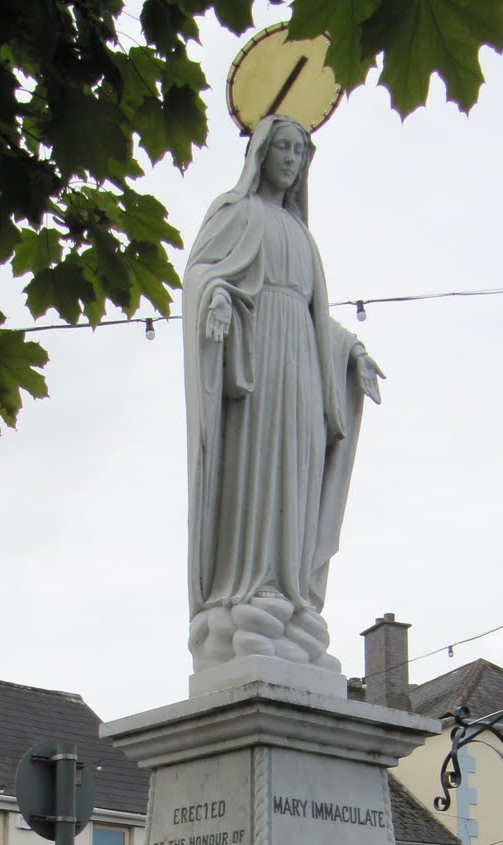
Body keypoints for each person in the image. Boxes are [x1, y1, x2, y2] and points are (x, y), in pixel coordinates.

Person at [183, 114, 383, 675]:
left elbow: (317, 318)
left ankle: (290, 591)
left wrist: (351, 352)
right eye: (283, 148)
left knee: (296, 474)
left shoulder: (302, 236)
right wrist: (216, 296)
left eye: (300, 150)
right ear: (262, 153)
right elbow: (200, 274)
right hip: (257, 365)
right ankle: (248, 585)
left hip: (302, 369)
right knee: (257, 467)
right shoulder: (236, 212)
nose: (292, 159)